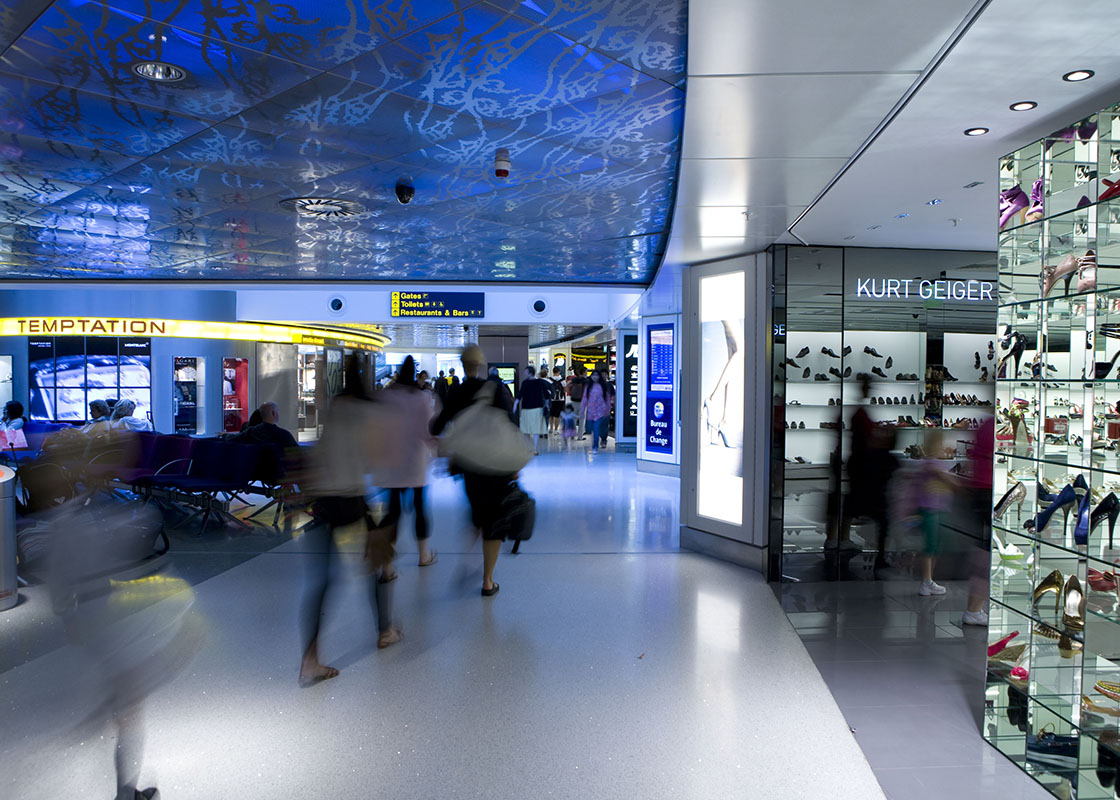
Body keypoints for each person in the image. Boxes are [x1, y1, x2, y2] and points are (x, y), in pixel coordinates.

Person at [299, 359, 400, 688]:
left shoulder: (334, 407)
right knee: (376, 561)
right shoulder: (366, 410)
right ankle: (384, 630)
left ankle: (310, 659)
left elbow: (322, 453)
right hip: (351, 497)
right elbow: (374, 458)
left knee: (322, 580)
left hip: (324, 498)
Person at [431, 345, 516, 597]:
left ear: (462, 363)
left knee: (478, 512)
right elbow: (511, 424)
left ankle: (469, 560)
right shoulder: (496, 389)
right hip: (498, 462)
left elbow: (436, 427)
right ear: (481, 364)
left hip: (469, 465)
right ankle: (487, 581)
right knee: (493, 522)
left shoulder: (456, 392)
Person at [378, 356, 438, 568]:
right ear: (414, 373)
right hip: (415, 462)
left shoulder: (386, 396)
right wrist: (437, 447)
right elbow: (428, 429)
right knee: (420, 508)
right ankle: (424, 556)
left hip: (391, 462)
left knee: (392, 511)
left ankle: (386, 566)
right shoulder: (420, 397)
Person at [912, 429, 954, 596]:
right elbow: (945, 479)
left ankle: (928, 580)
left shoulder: (930, 463)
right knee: (930, 546)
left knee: (933, 546)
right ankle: (927, 581)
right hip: (929, 510)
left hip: (932, 509)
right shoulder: (932, 464)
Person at [517, 365, 550, 455]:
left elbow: (520, 395)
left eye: (526, 371)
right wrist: (547, 405)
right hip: (535, 408)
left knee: (527, 430)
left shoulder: (528, 383)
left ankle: (532, 448)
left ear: (530, 372)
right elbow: (547, 395)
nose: (524, 373)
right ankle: (533, 448)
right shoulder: (537, 382)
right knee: (533, 430)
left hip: (529, 408)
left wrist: (516, 403)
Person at [584, 370, 612, 454]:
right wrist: (582, 410)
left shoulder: (603, 387)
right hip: (590, 412)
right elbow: (585, 398)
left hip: (600, 411)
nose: (595, 377)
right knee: (590, 429)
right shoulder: (588, 387)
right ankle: (595, 445)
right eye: (593, 375)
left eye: (596, 375)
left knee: (596, 429)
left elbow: (607, 399)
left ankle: (595, 446)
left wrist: (608, 409)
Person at [569, 367, 589, 439]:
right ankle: (580, 436)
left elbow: (569, 387)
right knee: (581, 419)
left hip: (574, 400)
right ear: (583, 372)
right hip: (582, 402)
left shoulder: (573, 380)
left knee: (574, 418)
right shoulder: (586, 381)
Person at [549, 366, 565, 435]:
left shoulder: (549, 380)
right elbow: (565, 390)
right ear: (559, 372)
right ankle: (556, 430)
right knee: (557, 415)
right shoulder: (562, 380)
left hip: (552, 399)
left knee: (551, 415)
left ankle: (551, 428)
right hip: (560, 399)